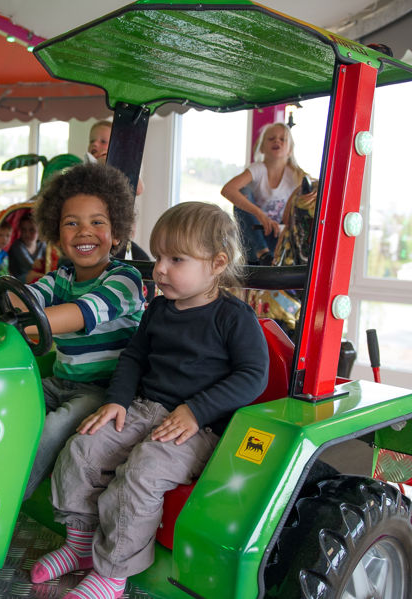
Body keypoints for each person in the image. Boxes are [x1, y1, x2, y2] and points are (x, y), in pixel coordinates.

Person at [30, 202, 268, 599]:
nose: (159, 268)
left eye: (176, 259)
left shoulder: (234, 318)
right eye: (158, 257)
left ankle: (113, 572)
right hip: (142, 408)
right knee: (84, 447)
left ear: (216, 263)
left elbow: (253, 376)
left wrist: (196, 410)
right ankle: (80, 546)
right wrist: (118, 401)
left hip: (197, 427)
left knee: (142, 472)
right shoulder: (159, 308)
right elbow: (135, 356)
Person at [0, 163, 145, 499]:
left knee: (51, 430)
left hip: (104, 391)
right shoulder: (60, 277)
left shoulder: (123, 280)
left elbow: (79, 313)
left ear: (117, 233)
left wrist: (18, 311)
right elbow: (24, 295)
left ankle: (8, 502)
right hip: (59, 381)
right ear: (56, 233)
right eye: (71, 223)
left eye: (97, 222)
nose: (84, 231)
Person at [220, 122, 316, 265]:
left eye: (282, 139)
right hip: (254, 236)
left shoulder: (296, 175)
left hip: (278, 238)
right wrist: (260, 214)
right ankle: (262, 254)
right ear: (262, 147)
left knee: (307, 195)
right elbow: (227, 189)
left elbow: (317, 186)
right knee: (242, 193)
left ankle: (285, 257)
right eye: (271, 139)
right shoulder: (258, 169)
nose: (277, 141)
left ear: (290, 150)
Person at [8, 213, 46, 283]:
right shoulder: (17, 246)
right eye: (23, 230)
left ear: (39, 231)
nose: (27, 234)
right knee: (32, 276)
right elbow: (30, 266)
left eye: (32, 230)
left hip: (37, 278)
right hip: (17, 280)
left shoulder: (42, 245)